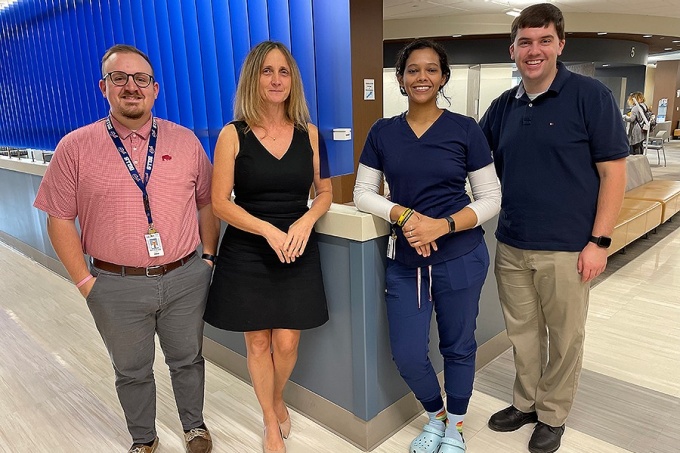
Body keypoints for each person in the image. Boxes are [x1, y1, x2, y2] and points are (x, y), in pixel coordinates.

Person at [33, 44, 219, 453]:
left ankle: (194, 428)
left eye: (141, 79)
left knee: (188, 359)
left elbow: (207, 201)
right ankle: (144, 438)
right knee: (132, 370)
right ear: (104, 87)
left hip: (186, 277)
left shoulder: (185, 141)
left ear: (156, 89)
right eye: (120, 78)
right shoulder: (75, 147)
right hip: (115, 285)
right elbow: (58, 217)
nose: (131, 86)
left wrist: (207, 258)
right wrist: (85, 282)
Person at [479, 4, 629, 453]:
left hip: (568, 248)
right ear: (513, 49)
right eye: (525, 41)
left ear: (561, 45)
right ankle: (526, 402)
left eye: (544, 40)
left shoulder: (590, 97)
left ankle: (553, 414)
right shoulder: (502, 106)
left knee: (565, 338)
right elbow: (475, 163)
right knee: (522, 334)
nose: (534, 50)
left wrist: (599, 242)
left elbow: (614, 175)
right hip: (512, 244)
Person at [353, 39, 501, 453]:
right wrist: (401, 214)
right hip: (407, 262)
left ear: (443, 77)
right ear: (400, 79)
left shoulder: (465, 129)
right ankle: (434, 415)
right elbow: (363, 192)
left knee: (459, 345)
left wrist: (444, 225)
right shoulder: (383, 131)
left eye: (431, 69)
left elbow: (491, 197)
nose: (422, 77)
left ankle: (454, 426)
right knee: (407, 353)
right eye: (413, 70)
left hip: (461, 256)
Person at [203, 41, 331, 453]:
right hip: (249, 248)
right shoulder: (231, 134)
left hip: (297, 245)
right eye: (267, 71)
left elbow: (325, 193)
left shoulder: (312, 135)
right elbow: (221, 202)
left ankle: (276, 399)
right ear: (253, 79)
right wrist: (267, 231)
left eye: (284, 72)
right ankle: (269, 421)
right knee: (258, 342)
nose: (276, 80)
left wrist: (305, 221)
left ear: (292, 80)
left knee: (288, 342)